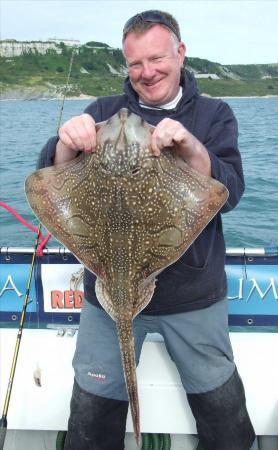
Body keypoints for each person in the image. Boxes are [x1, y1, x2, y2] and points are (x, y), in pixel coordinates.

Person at [38, 10, 258, 450]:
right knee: (91, 414)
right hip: (110, 289)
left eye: (156, 58)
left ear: (180, 53)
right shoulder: (101, 112)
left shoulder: (214, 115)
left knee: (224, 413)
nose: (146, 72)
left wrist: (191, 147)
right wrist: (67, 141)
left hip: (195, 294)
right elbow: (49, 179)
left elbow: (228, 194)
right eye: (135, 64)